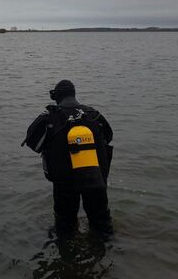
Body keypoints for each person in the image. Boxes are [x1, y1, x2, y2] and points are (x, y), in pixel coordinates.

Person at [22, 80, 113, 236]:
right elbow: (108, 137)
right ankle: (108, 252)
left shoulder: (50, 117)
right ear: (73, 94)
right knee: (102, 226)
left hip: (65, 183)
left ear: (57, 96)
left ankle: (67, 255)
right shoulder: (94, 115)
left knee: (65, 227)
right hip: (95, 179)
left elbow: (32, 143)